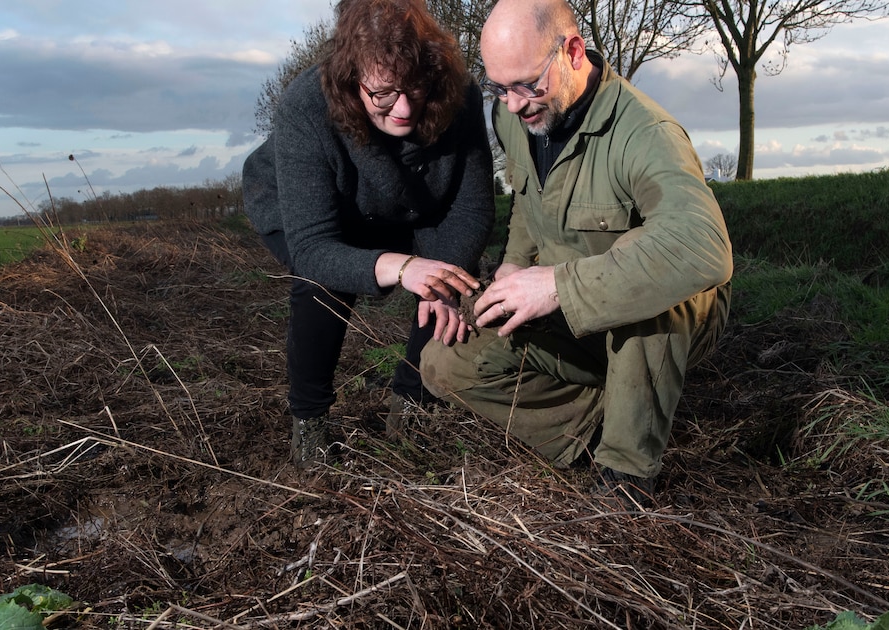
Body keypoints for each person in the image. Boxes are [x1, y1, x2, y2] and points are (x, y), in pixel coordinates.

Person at [419, 0, 732, 507]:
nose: (514, 104)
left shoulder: (646, 133)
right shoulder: (514, 117)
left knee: (646, 274)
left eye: (526, 84)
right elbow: (527, 198)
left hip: (664, 320)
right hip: (565, 305)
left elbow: (703, 247)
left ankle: (626, 473)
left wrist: (557, 285)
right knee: (443, 364)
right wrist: (517, 263)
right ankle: (607, 418)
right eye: (499, 88)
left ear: (573, 51)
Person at [242, 0, 495, 468]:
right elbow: (315, 246)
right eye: (383, 93)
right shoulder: (305, 106)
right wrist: (400, 267)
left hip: (410, 203)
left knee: (450, 276)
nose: (402, 108)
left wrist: (439, 281)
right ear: (351, 76)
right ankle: (311, 426)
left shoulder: (459, 94)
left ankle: (413, 402)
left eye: (415, 89)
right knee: (323, 283)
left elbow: (471, 206)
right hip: (310, 211)